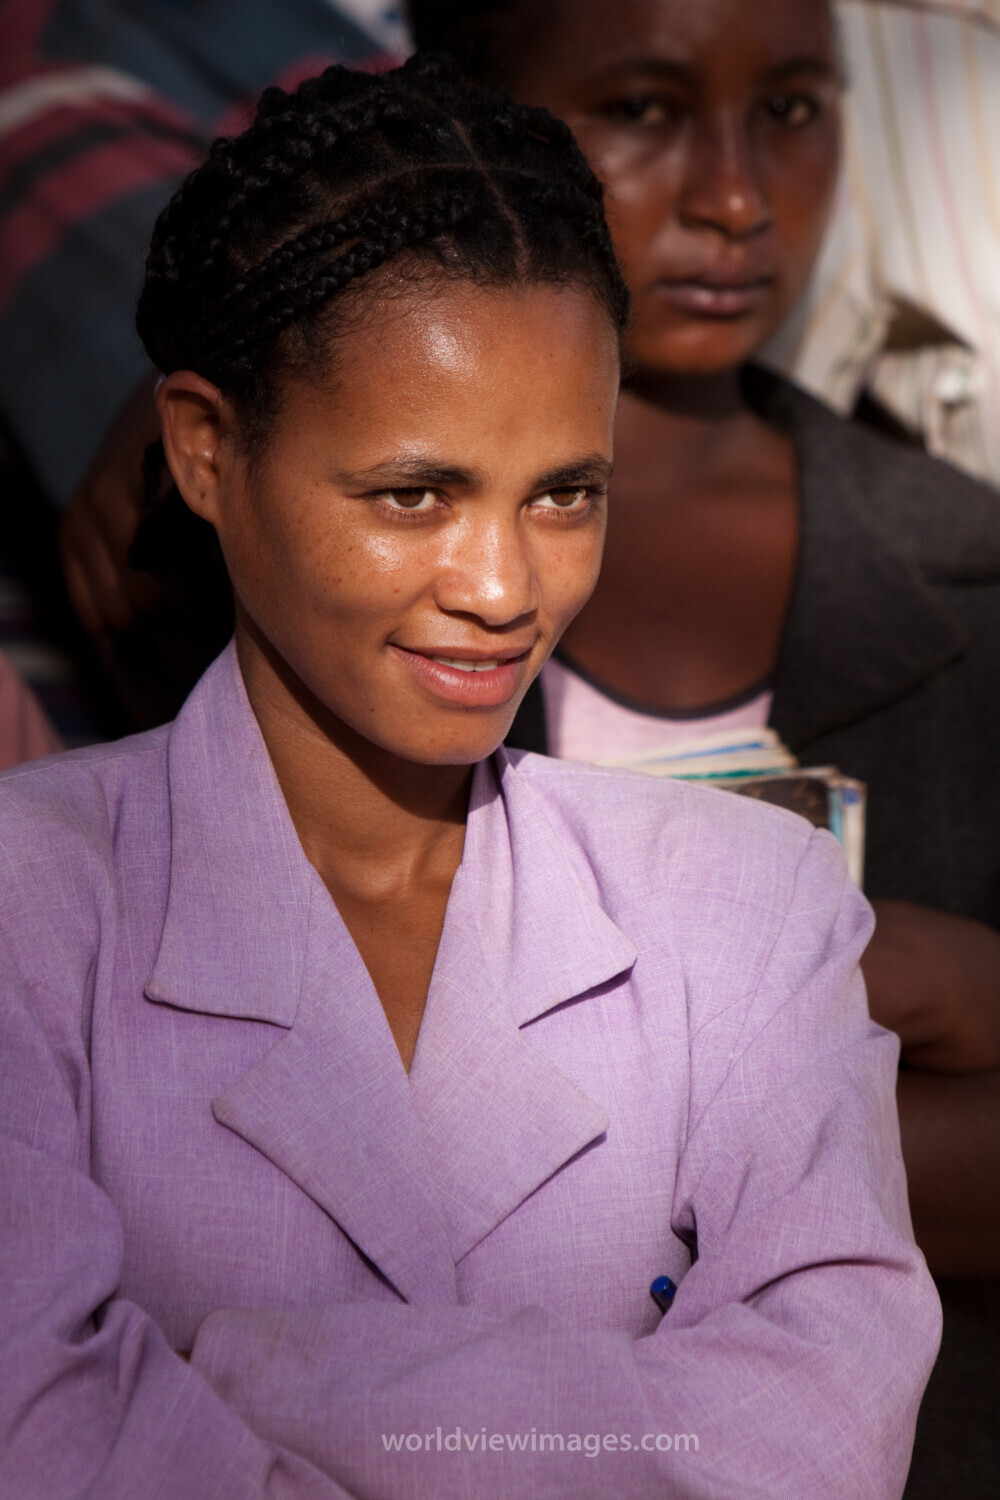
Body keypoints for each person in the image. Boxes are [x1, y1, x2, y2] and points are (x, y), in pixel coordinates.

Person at [0, 54, 938, 1499]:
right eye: (413, 495)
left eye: (566, 491)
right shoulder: (33, 904)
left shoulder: (750, 905)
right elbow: (33, 1428)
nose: (505, 585)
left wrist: (260, 1373)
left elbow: (829, 1422)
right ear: (205, 450)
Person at [405, 1, 1000, 1491]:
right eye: (647, 109)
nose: (736, 198)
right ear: (470, 105)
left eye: (792, 107)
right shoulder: (312, 562)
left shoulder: (971, 575)